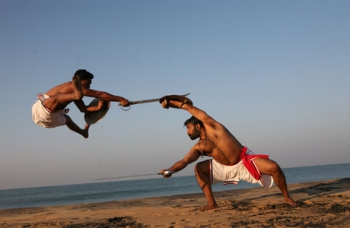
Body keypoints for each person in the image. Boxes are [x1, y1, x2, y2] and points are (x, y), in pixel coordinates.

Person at [159, 96, 297, 211]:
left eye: (188, 128)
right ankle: (212, 203)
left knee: (273, 167)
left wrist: (169, 102)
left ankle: (286, 196)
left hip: (243, 160)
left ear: (198, 126)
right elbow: (185, 161)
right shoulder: (199, 147)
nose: (187, 132)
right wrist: (170, 170)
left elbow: (188, 107)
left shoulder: (214, 126)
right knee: (199, 168)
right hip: (223, 167)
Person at [32, 69, 129, 138]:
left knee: (68, 120)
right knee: (58, 98)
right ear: (80, 80)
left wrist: (98, 108)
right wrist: (121, 99)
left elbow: (83, 109)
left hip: (48, 117)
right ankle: (77, 96)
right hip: (43, 108)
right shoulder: (70, 86)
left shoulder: (73, 93)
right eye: (88, 82)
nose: (89, 85)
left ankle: (84, 132)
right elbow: (99, 94)